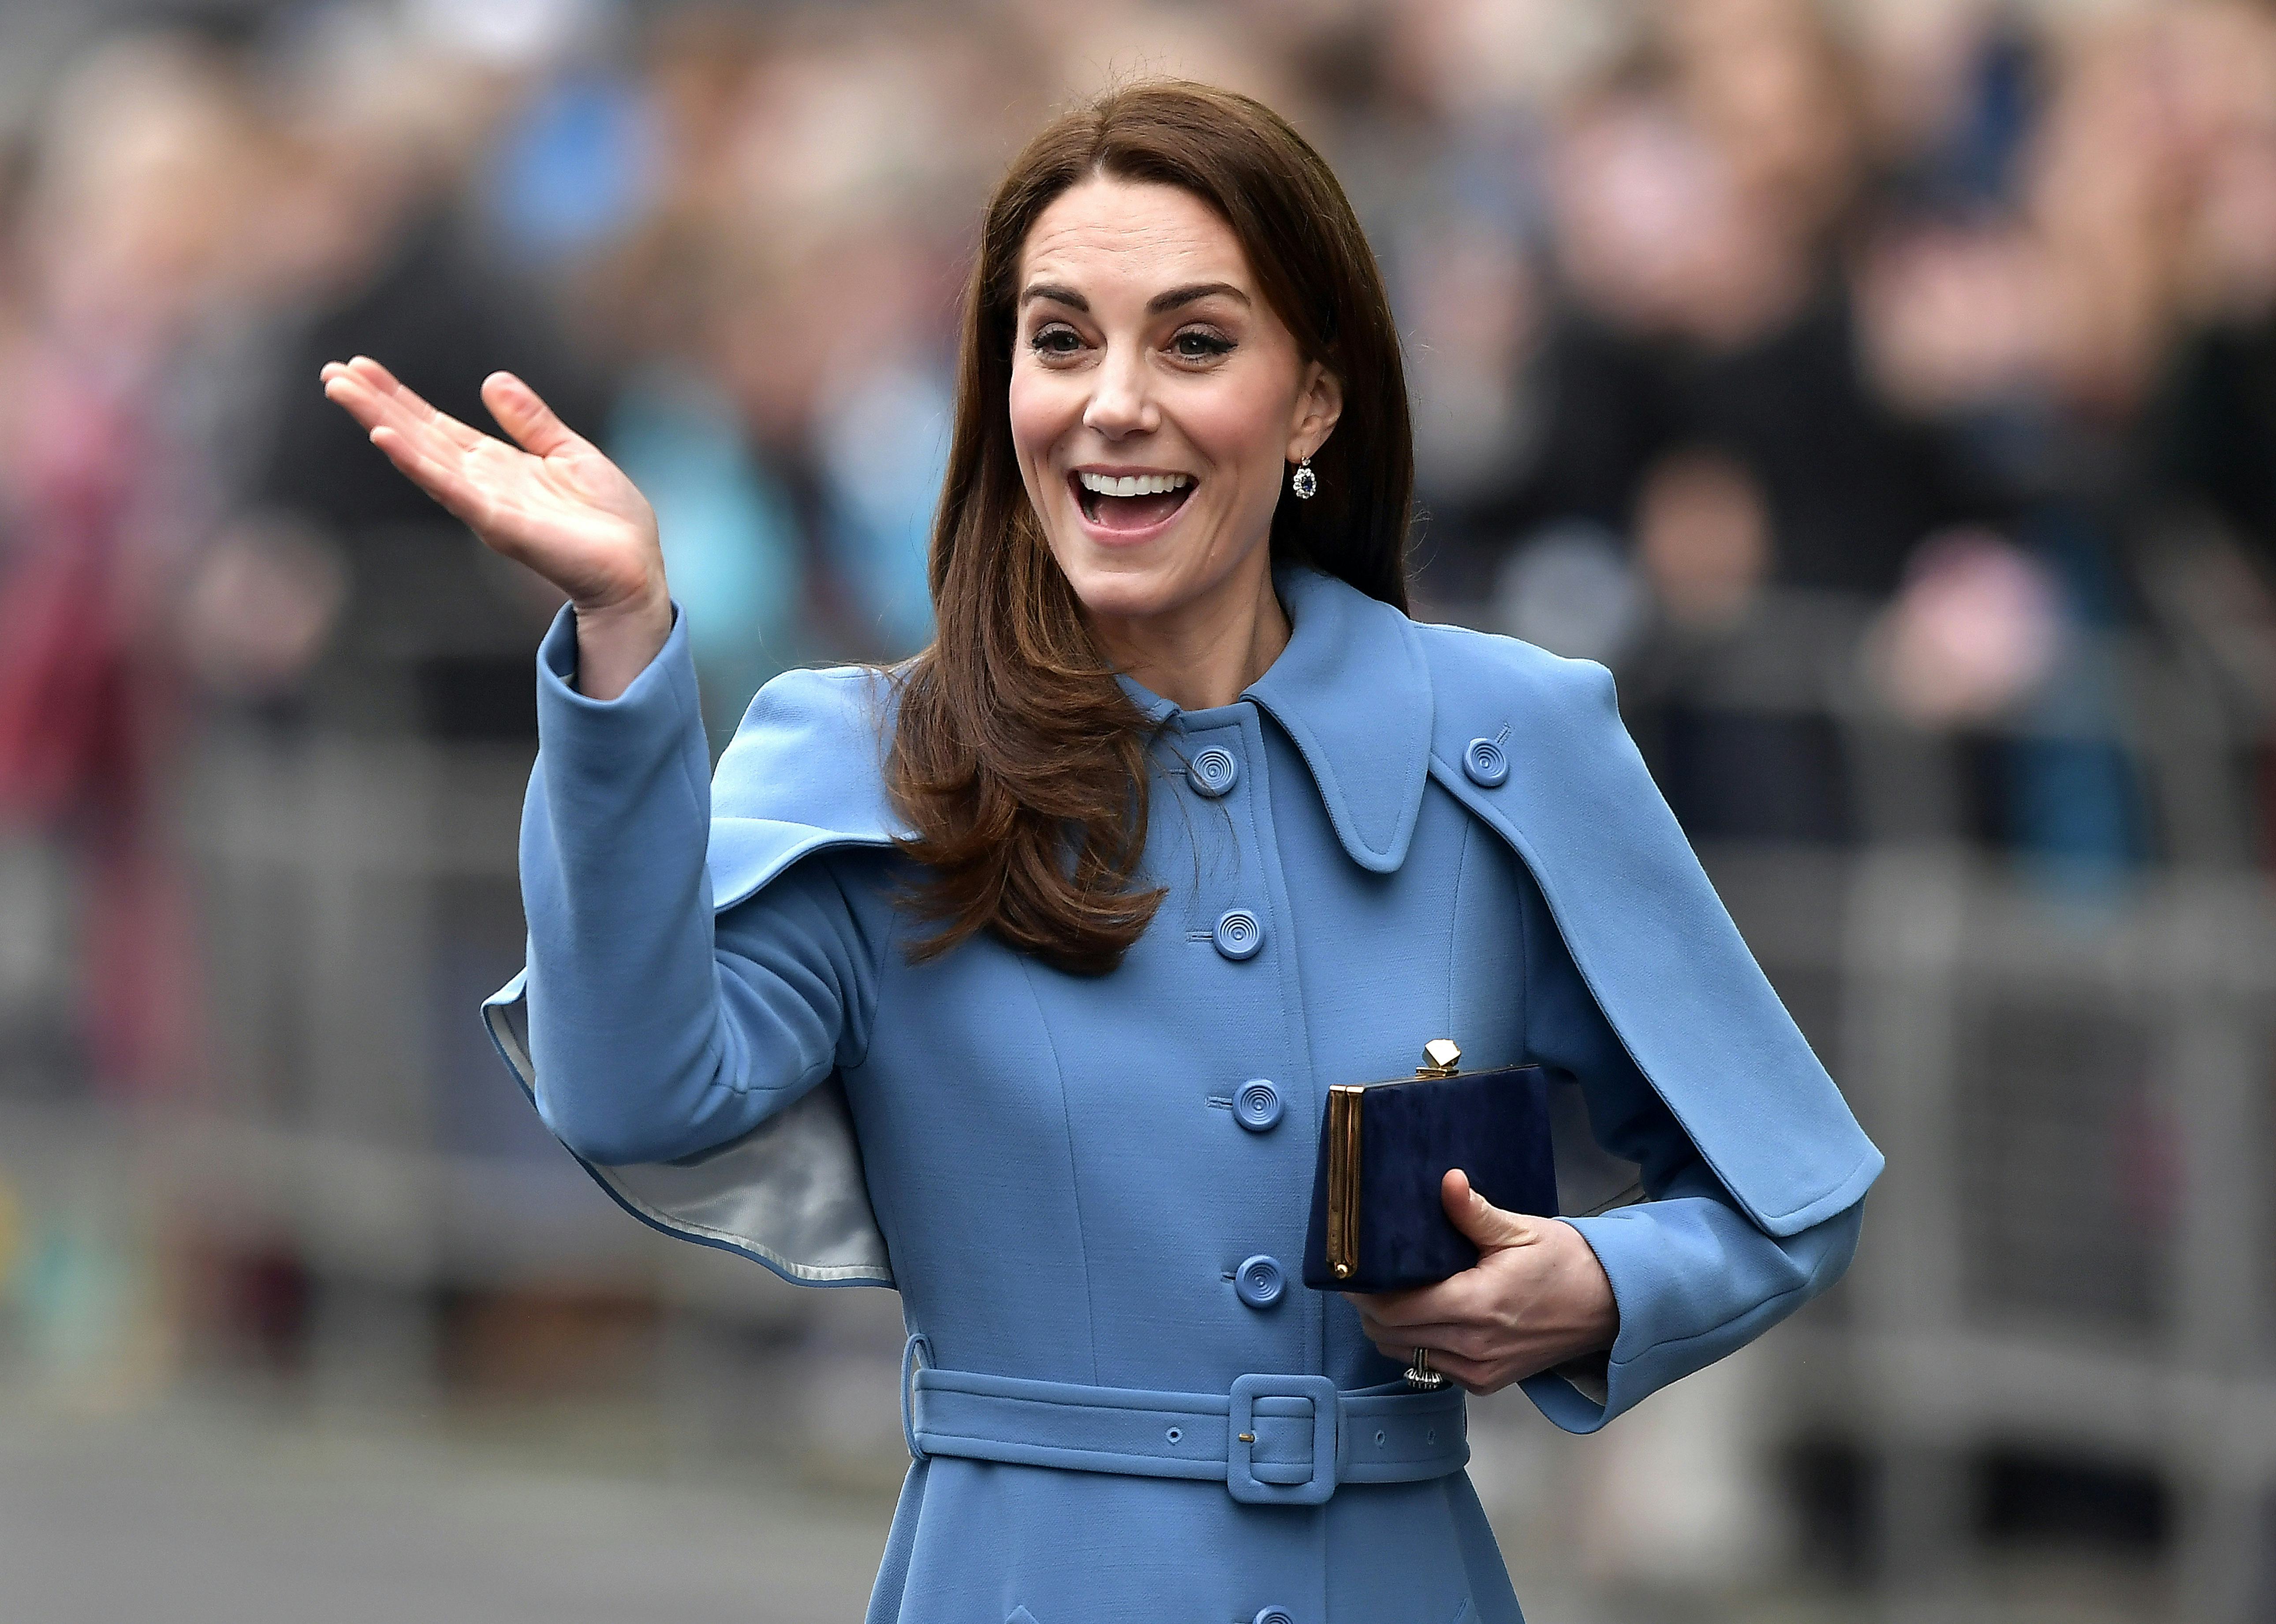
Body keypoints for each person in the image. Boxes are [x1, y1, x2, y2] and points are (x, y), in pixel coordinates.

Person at [321, 78, 1879, 1624]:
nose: (1113, 401)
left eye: (1194, 342)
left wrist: (1599, 1287)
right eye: (1059, 339)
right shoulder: (874, 756)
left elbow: (1787, 1190)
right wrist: (619, 641)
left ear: (1315, 398)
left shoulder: (1507, 735)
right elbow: (631, 1093)